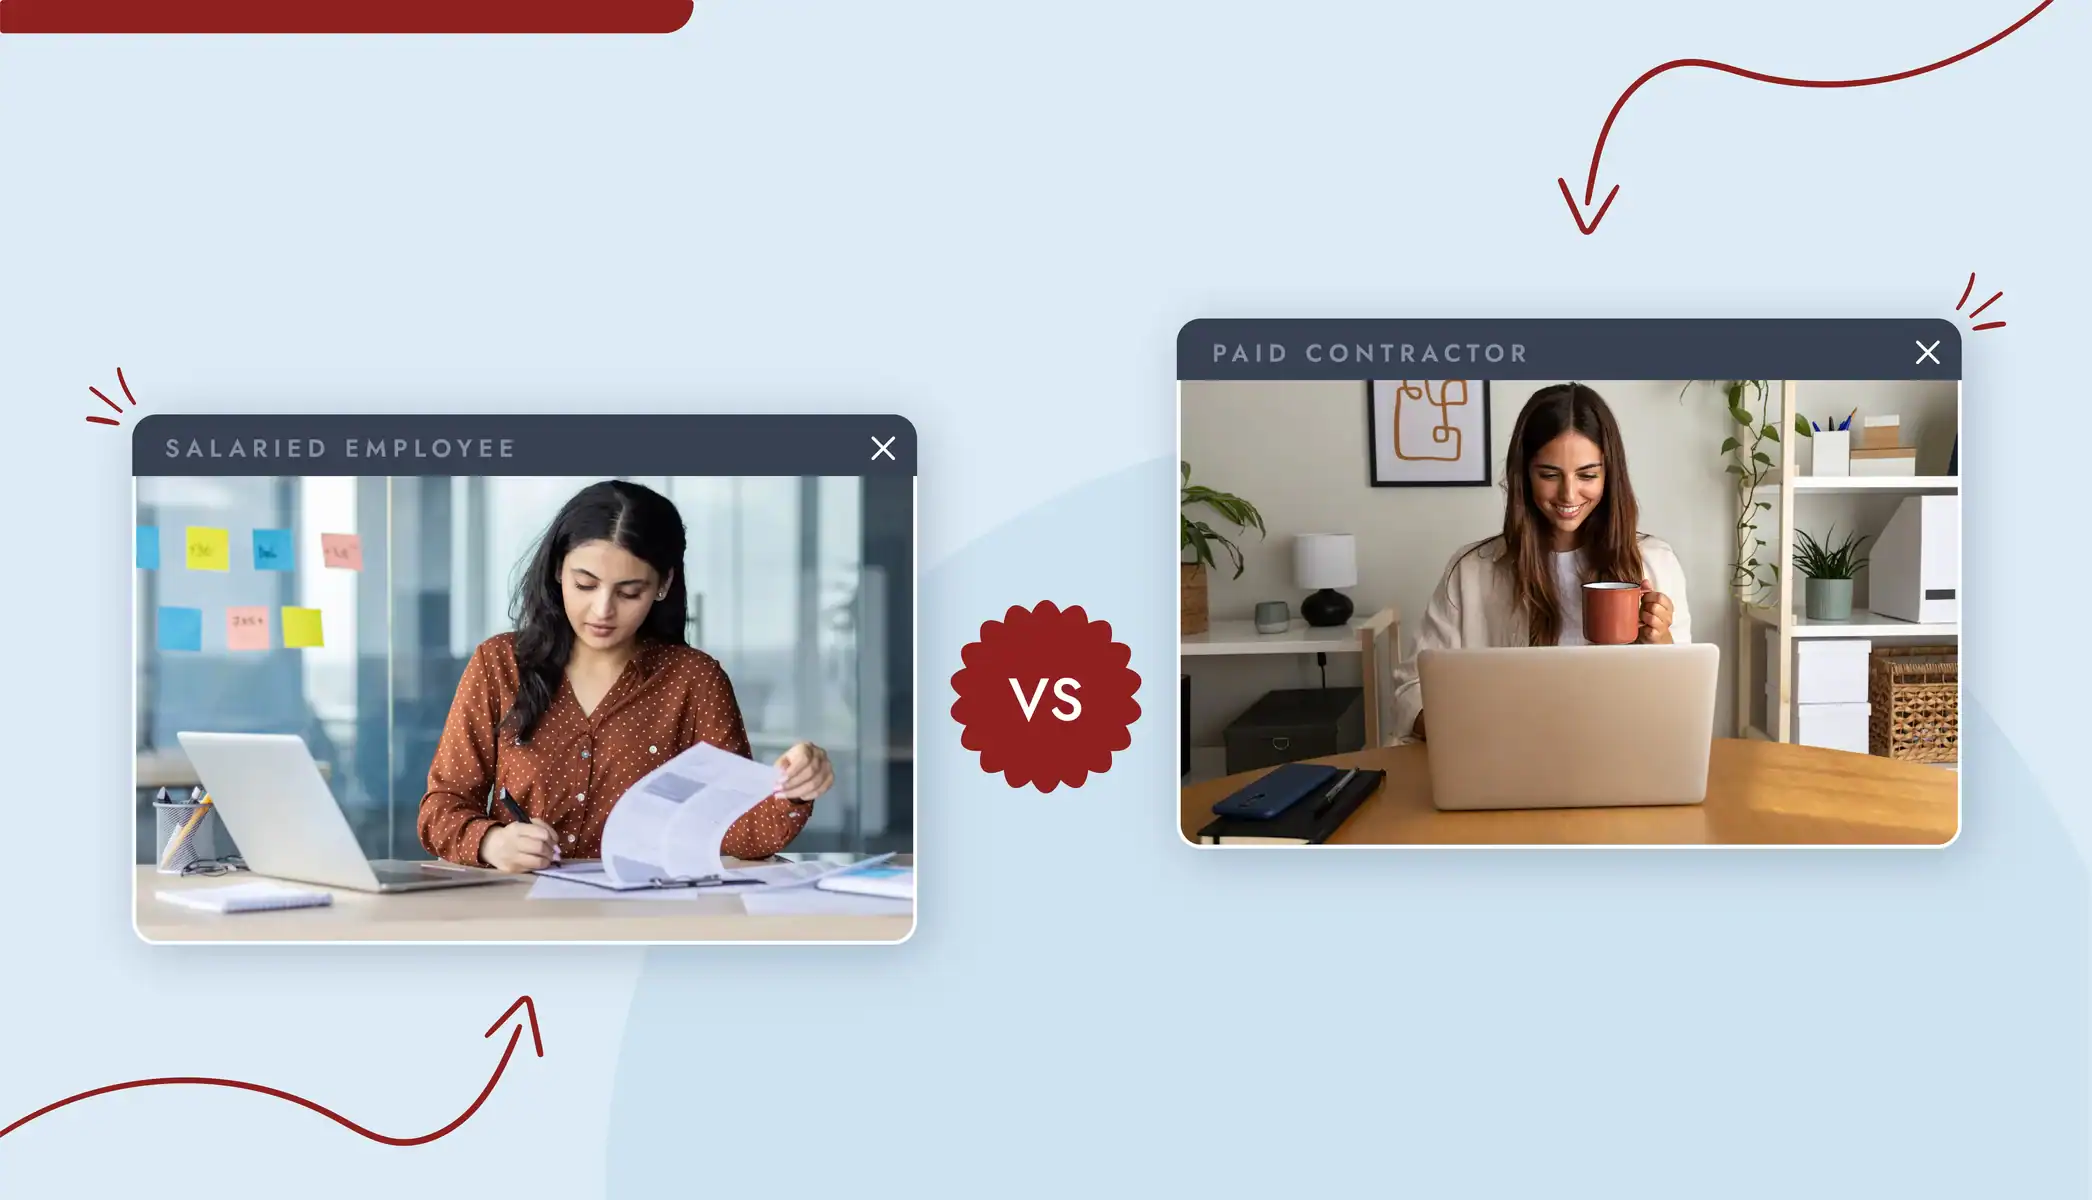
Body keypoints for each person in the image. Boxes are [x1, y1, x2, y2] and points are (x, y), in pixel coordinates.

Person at [418, 480, 834, 872]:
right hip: (519, 910)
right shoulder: (500, 664)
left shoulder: (693, 680)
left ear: (663, 585)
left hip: (649, 911)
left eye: (629, 592)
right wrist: (492, 843)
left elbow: (738, 831)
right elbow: (442, 807)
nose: (603, 610)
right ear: (559, 571)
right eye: (585, 584)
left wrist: (791, 787)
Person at [1390, 382, 1692, 743]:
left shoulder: (1655, 563)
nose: (1568, 494)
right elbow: (1412, 689)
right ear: (1524, 475)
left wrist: (1661, 641)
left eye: (1587, 475)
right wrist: (1473, 730)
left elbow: (1684, 705)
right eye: (1549, 475)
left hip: (1619, 752)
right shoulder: (1472, 570)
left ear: (1609, 477)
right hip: (1503, 758)